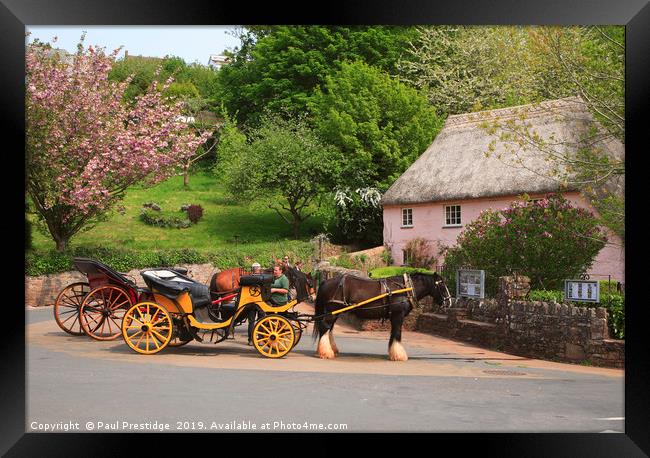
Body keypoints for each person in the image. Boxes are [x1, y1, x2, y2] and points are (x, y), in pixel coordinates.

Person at [247, 262, 264, 345]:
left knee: (251, 322)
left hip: (250, 302)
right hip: (260, 303)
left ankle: (250, 339)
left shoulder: (248, 278)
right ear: (259, 269)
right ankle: (260, 339)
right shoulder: (262, 278)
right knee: (261, 321)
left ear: (252, 269)